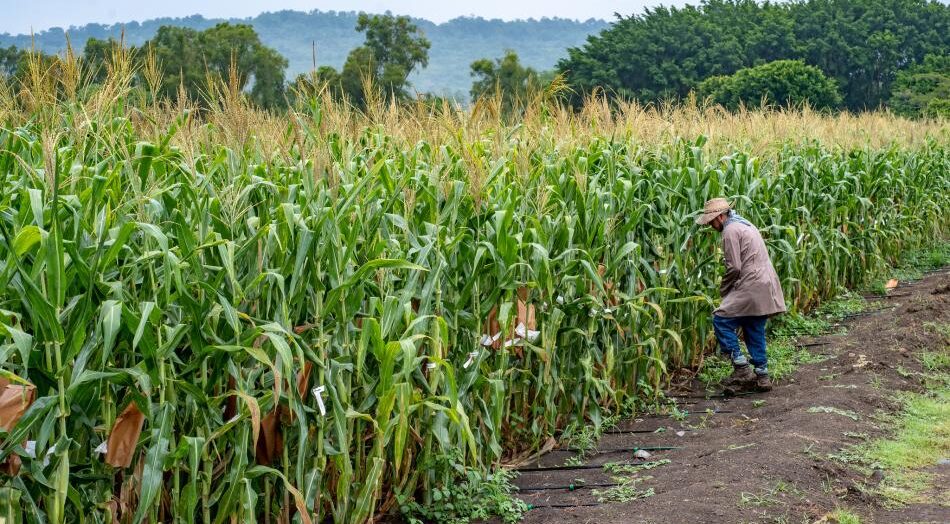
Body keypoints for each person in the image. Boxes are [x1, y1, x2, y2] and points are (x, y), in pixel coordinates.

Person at [695, 198, 786, 393]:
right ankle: (762, 376)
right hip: (765, 282)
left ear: (720, 216)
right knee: (753, 325)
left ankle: (741, 367)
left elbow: (734, 267)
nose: (711, 226)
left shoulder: (729, 231)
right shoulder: (746, 224)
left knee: (721, 319)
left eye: (712, 221)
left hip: (751, 283)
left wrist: (725, 289)